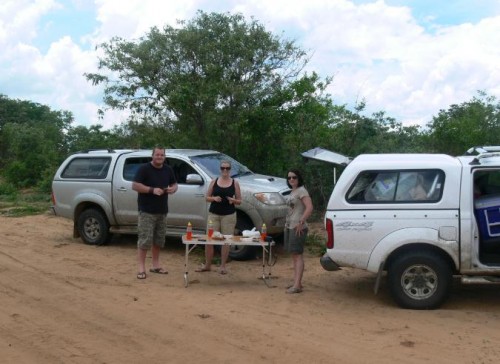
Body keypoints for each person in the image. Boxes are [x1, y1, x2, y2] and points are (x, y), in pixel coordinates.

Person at [132, 146, 178, 279]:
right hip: (147, 210)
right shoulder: (144, 169)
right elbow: (135, 185)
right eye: (157, 155)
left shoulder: (168, 169)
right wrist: (152, 190)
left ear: (164, 156)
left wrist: (173, 189)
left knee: (158, 240)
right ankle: (141, 268)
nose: (159, 157)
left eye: (162, 155)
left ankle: (155, 266)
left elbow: (175, 184)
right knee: (145, 239)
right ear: (152, 155)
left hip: (162, 211)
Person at [196, 160, 241, 275]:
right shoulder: (214, 181)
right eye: (223, 168)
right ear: (220, 169)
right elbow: (207, 197)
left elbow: (240, 201)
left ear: (230, 169)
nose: (225, 170)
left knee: (226, 240)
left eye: (227, 168)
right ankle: (207, 265)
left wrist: (233, 200)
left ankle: (222, 266)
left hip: (229, 215)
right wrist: (214, 198)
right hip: (214, 214)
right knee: (209, 240)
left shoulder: (235, 182)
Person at [284, 169, 313, 294]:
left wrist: (301, 222)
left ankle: (297, 285)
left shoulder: (302, 191)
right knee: (294, 255)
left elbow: (310, 207)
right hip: (290, 225)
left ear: (299, 178)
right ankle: (297, 283)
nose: (291, 179)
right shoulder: (293, 191)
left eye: (294, 177)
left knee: (297, 255)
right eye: (289, 177)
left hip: (298, 226)